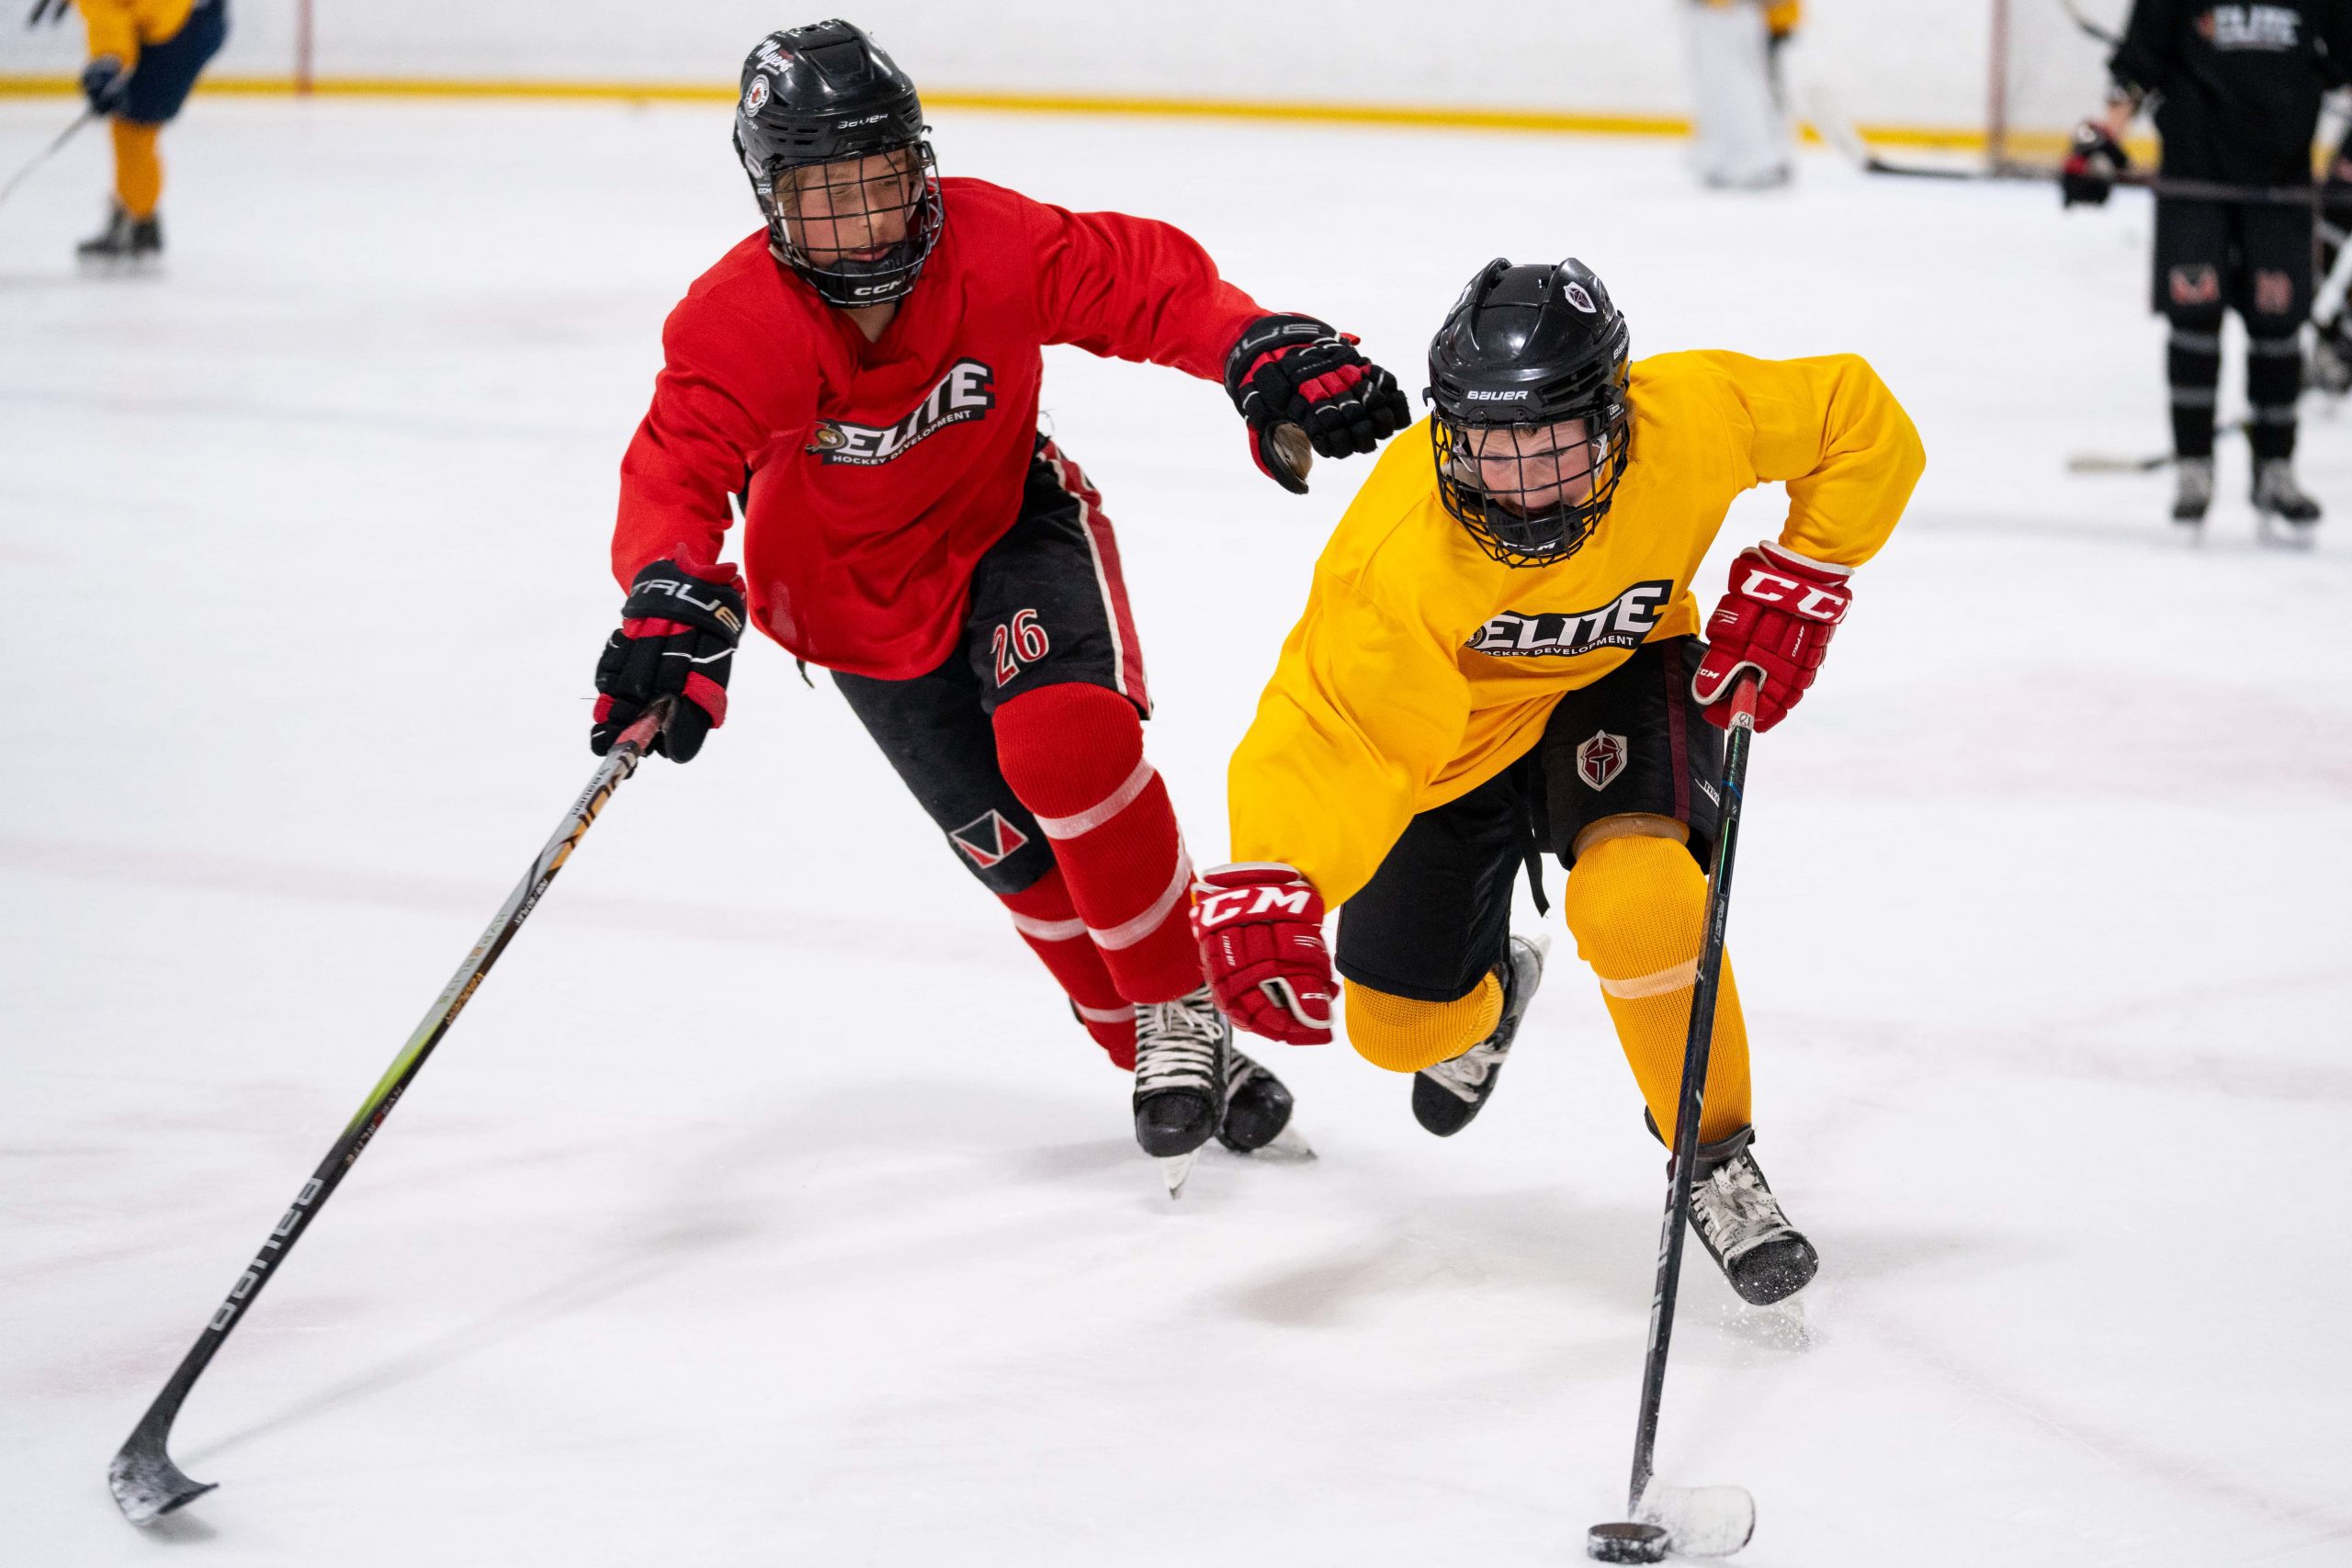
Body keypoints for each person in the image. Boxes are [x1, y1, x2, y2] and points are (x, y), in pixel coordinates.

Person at [591, 21, 1411, 1171]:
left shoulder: (991, 239)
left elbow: (1138, 283)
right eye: (826, 194)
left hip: (1006, 529)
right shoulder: (736, 320)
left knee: (1065, 746)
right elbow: (677, 468)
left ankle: (1179, 1004)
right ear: (769, 196)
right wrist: (668, 593)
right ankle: (1161, 1042)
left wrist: (1248, 345)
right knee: (1023, 866)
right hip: (846, 611)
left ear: (918, 163)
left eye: (882, 178)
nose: (867, 217)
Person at [1190, 258, 1923, 1305]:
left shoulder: (1693, 418)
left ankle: (1713, 1157)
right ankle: (1492, 996)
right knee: (1399, 1031)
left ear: (1614, 418)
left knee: (1640, 904)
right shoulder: (1399, 553)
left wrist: (1814, 563)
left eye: (1554, 444)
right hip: (1453, 737)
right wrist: (1280, 866)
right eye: (1493, 448)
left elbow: (1854, 412)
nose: (1525, 482)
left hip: (1617, 678)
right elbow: (1341, 731)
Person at [2064, 0, 2352, 539]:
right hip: (2195, 181)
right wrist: (2104, 140)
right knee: (2193, 320)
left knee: (2278, 328)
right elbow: (2137, 67)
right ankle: (2194, 467)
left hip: (2281, 185)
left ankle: (2276, 472)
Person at [33, 0, 228, 262]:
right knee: (131, 122)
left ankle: (138, 220)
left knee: (135, 124)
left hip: (184, 26)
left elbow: (111, 19)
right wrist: (110, 64)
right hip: (184, 21)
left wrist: (108, 62)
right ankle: (137, 216)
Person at [1684, 0, 1801, 189]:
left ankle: (1760, 159)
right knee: (1721, 87)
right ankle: (1728, 157)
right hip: (1720, 12)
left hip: (1734, 13)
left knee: (1740, 86)